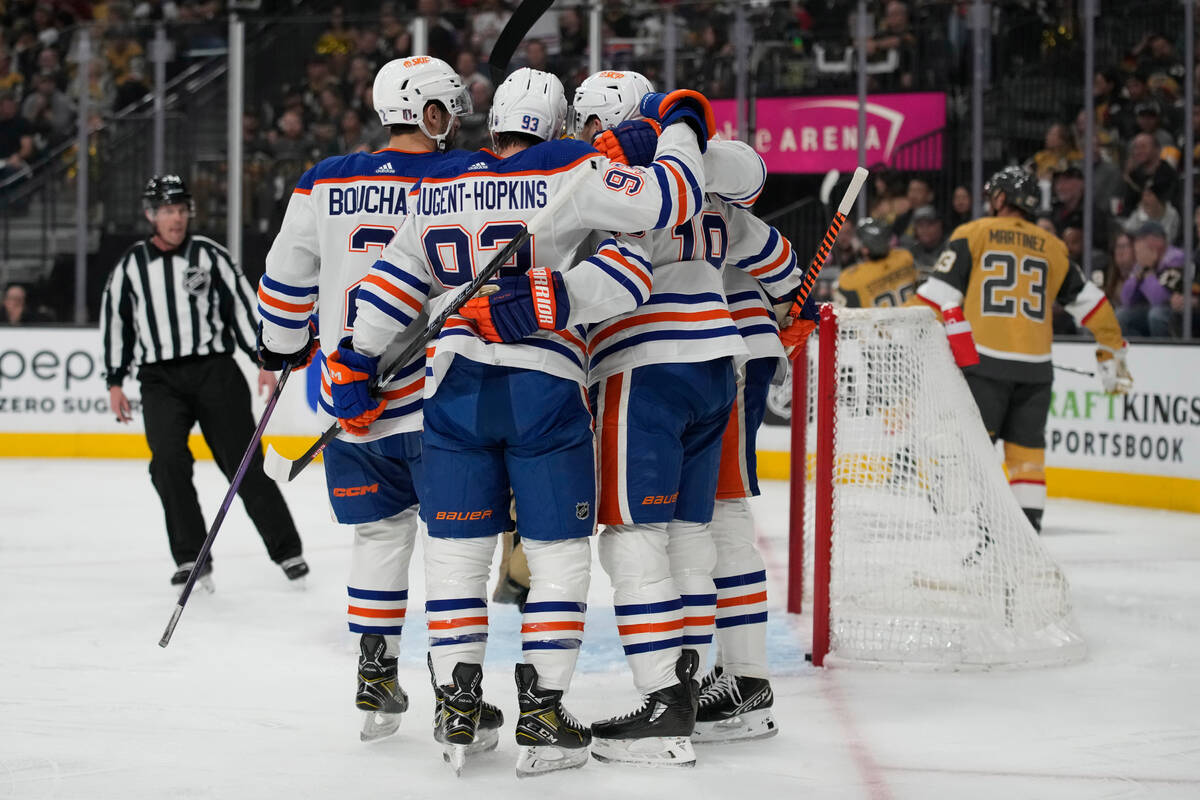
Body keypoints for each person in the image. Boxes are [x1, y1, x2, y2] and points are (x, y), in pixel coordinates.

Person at [339, 67, 709, 776]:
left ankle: (457, 704)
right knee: (558, 557)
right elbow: (645, 252)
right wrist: (558, 295)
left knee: (455, 556)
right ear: (558, 124)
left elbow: (391, 283)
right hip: (545, 388)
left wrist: (357, 359)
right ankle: (542, 712)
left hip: (450, 390)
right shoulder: (575, 169)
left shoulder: (442, 186)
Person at [256, 55, 499, 747]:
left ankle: (375, 670)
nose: (453, 120)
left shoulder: (323, 179)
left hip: (350, 398)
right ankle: (458, 694)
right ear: (429, 112)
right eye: (446, 108)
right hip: (440, 394)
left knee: (379, 535)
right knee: (455, 544)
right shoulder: (468, 175)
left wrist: (282, 348)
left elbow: (282, 279)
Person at [568, 69, 797, 758]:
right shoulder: (697, 177)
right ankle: (691, 694)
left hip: (645, 363)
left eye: (586, 124)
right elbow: (776, 247)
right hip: (716, 365)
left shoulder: (599, 179)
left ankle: (665, 706)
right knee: (695, 534)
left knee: (634, 538)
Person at [100, 174, 308, 589]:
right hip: (159, 379)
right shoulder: (130, 268)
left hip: (215, 370)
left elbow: (244, 307)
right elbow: (117, 324)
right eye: (167, 211)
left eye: (180, 210)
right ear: (151, 215)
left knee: (244, 463)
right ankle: (191, 558)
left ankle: (287, 551)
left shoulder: (211, 256)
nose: (175, 219)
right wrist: (115, 380)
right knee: (167, 464)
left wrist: (264, 358)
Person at [916, 166, 1131, 531]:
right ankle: (1027, 536)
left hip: (984, 363)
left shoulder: (975, 233)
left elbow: (933, 300)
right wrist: (1112, 352)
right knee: (1027, 456)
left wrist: (892, 331)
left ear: (1001, 199)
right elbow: (1094, 306)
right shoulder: (1053, 246)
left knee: (972, 449)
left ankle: (979, 536)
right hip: (1035, 368)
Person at [1116, 221, 1185, 338]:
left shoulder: (1175, 258)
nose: (1137, 244)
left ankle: (1163, 352)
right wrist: (1136, 279)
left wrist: (1148, 272)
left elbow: (1160, 299)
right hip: (1151, 310)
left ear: (1156, 242)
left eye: (1141, 239)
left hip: (1176, 312)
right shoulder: (1143, 260)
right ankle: (1138, 353)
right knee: (1120, 315)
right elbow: (1126, 299)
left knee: (1156, 315)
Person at [836, 216, 917, 307]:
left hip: (880, 321)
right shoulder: (904, 257)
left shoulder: (849, 279)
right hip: (913, 319)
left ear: (865, 249)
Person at [900, 204, 946, 279]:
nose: (925, 229)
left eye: (930, 224)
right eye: (920, 225)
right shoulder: (910, 255)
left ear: (940, 225)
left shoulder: (951, 249)